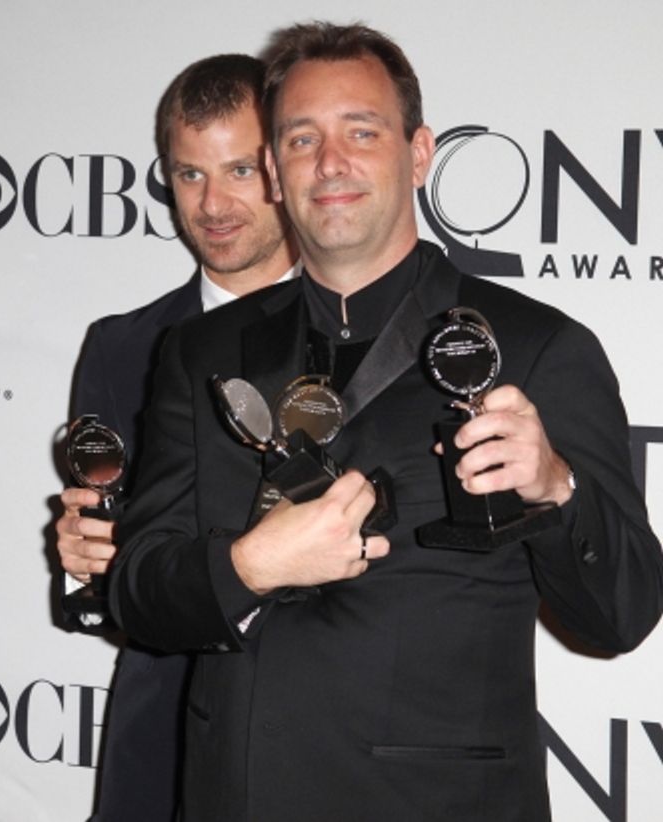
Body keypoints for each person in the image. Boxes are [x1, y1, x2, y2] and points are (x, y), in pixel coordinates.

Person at [108, 22, 663, 822]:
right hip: (240, 794)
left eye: (361, 132)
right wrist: (250, 566)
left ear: (420, 151)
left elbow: (622, 616)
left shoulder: (540, 347)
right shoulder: (202, 351)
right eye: (302, 138)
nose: (331, 163)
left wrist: (557, 491)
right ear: (273, 169)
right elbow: (137, 594)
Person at [55, 54, 297, 820]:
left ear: (288, 167)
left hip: (325, 743)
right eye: (189, 175)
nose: (214, 204)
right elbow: (103, 586)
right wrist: (84, 568)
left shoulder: (372, 329)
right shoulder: (121, 346)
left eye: (239, 171)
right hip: (159, 746)